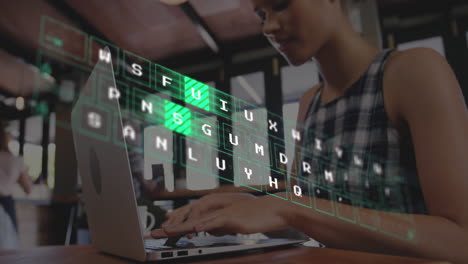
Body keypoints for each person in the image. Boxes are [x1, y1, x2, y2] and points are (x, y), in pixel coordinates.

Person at [151, 0, 468, 263]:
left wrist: (290, 208)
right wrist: (240, 205)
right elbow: (304, 216)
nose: (268, 27)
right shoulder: (309, 103)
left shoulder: (413, 72)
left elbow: (460, 239)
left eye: (281, 5)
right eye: (262, 15)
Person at [0, 121, 32, 249]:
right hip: (6, 204)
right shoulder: (16, 160)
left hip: (6, 204)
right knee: (8, 249)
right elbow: (28, 189)